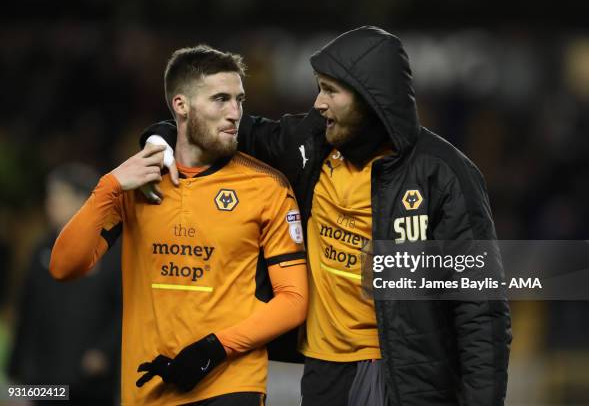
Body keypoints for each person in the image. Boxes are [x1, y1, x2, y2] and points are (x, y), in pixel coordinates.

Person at [142, 26, 512, 406]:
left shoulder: (443, 173)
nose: (318, 103)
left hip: (401, 374)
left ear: (372, 98)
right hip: (323, 371)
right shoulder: (311, 142)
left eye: (330, 91)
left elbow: (480, 307)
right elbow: (220, 130)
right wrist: (159, 138)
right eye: (319, 88)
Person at [51, 45, 308, 405]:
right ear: (180, 105)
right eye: (220, 99)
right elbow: (64, 266)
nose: (235, 113)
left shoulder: (267, 186)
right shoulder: (135, 182)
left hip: (231, 381)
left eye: (239, 100)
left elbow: (294, 300)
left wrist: (215, 348)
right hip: (146, 386)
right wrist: (107, 187)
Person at [8, 163, 121, 405]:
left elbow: (127, 307)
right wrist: (15, 365)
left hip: (89, 380)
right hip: (42, 377)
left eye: (59, 196)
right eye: (50, 196)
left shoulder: (108, 250)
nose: (50, 204)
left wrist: (105, 351)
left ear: (81, 200)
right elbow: (27, 308)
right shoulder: (41, 248)